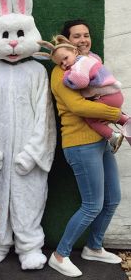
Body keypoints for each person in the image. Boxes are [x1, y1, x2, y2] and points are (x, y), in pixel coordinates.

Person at [46, 19, 122, 277]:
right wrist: (116, 113)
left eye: (86, 35)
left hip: (99, 140)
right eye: (76, 36)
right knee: (92, 204)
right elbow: (78, 107)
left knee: (112, 199)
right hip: (80, 143)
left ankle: (94, 246)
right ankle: (60, 255)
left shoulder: (89, 63)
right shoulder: (61, 70)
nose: (83, 40)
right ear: (66, 42)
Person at [38, 33, 129, 153]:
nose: (64, 64)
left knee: (90, 119)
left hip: (107, 98)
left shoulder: (79, 64)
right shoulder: (91, 59)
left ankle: (113, 135)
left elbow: (81, 82)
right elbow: (78, 106)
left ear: (74, 51)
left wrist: (67, 77)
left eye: (65, 58)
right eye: (60, 63)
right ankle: (125, 120)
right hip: (112, 97)